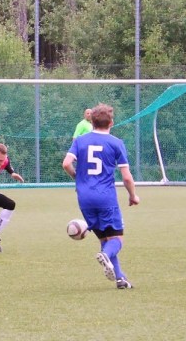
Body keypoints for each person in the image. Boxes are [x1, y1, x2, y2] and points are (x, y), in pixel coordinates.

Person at [62, 103, 140, 290]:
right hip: (106, 197)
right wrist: (133, 195)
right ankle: (106, 255)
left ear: (92, 122)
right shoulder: (116, 143)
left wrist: (78, 178)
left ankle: (120, 279)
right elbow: (126, 177)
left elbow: (66, 164)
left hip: (84, 197)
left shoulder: (80, 141)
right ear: (111, 122)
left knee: (105, 239)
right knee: (116, 240)